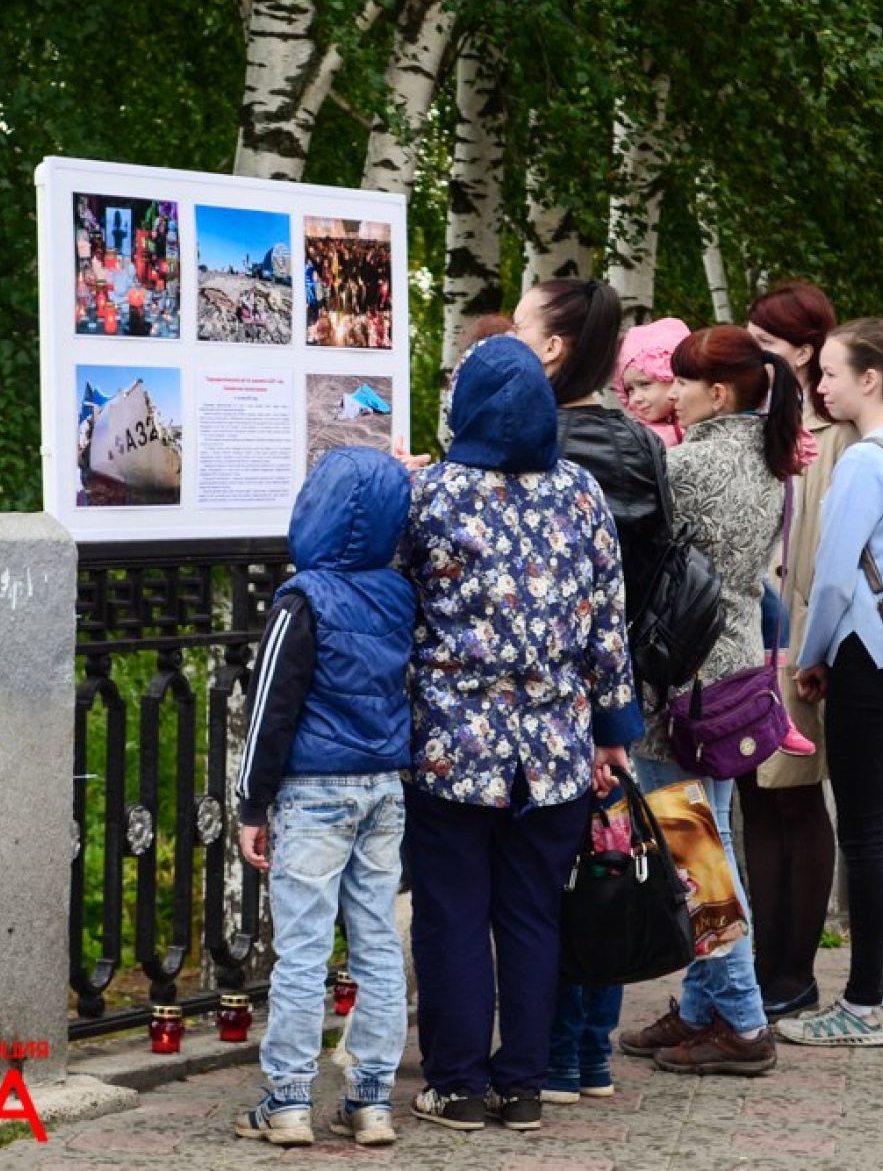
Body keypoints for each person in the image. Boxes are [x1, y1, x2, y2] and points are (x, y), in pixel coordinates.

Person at [403, 333, 642, 1134]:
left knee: (453, 913)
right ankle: (525, 1087)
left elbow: (399, 610)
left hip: (451, 747)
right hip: (555, 747)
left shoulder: (432, 496)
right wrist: (613, 731)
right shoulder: (580, 494)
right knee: (535, 914)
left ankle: (459, 1085)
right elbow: (610, 625)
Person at [617, 325, 803, 1077]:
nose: (675, 394)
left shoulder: (686, 465)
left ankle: (746, 1024)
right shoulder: (770, 457)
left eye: (685, 383)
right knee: (710, 838)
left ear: (716, 393)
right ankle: (699, 1011)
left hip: (680, 682)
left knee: (695, 857)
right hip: (731, 678)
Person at [518, 284, 680, 1106]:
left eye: (519, 326)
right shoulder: (641, 441)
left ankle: (550, 1055)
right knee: (611, 858)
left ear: (551, 349)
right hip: (622, 687)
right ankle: (591, 1055)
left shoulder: (539, 443)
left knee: (553, 871)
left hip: (552, 694)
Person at [233, 447, 415, 1147]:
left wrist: (253, 804)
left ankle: (285, 1102)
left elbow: (271, 709)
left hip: (313, 796)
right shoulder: (399, 593)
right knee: (375, 945)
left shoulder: (300, 598)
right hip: (382, 790)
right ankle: (370, 1101)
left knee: (304, 951)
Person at [778, 317, 883, 1048]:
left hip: (862, 657)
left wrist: (808, 657)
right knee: (881, 829)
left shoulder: (865, 461)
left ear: (870, 380)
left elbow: (832, 577)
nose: (820, 386)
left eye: (833, 375)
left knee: (869, 836)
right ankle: (882, 997)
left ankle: (862, 1006)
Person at [737, 280, 854, 1021]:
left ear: (804, 352)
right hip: (749, 636)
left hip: (798, 640)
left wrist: (816, 647)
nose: (751, 361)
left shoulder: (833, 436)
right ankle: (763, 962)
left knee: (798, 799)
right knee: (756, 799)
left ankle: (794, 969)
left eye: (765, 348)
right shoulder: (762, 421)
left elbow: (824, 553)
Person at [611, 317, 690, 447]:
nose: (636, 398)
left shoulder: (703, 421)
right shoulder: (637, 438)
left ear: (673, 378)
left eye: (645, 384)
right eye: (630, 390)